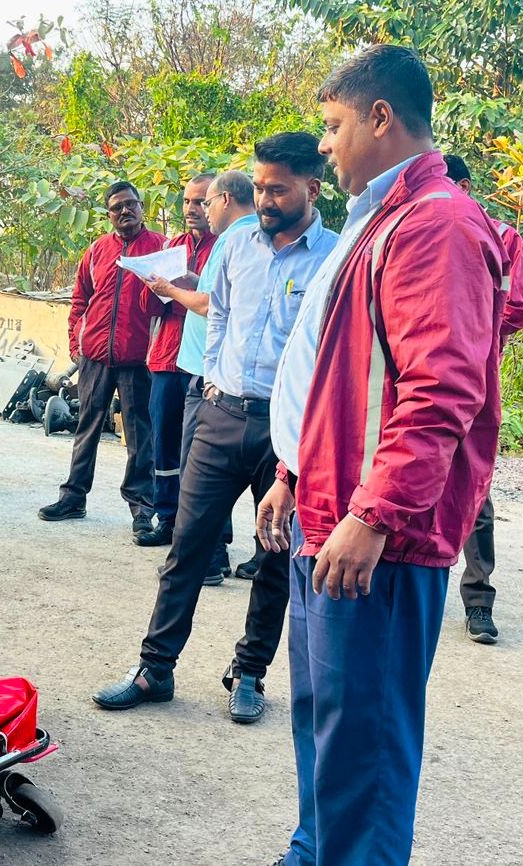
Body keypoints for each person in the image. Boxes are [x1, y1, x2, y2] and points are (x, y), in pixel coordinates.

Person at [258, 47, 507, 866]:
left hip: (376, 535)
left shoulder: (436, 223)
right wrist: (290, 473)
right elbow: (337, 373)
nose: (323, 144)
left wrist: (373, 514)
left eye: (332, 125)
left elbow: (439, 391)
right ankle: (310, 852)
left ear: (379, 117)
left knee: (362, 748)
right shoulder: (378, 217)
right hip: (326, 510)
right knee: (323, 723)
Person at [93, 134, 338, 725]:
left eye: (279, 190)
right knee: (188, 546)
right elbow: (218, 313)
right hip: (220, 414)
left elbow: (331, 351)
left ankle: (249, 673)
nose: (265, 199)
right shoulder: (235, 245)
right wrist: (211, 386)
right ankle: (155, 669)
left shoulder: (335, 256)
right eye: (260, 187)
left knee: (274, 556)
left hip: (288, 432)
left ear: (313, 188)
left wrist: (303, 438)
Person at [38, 180, 167, 540]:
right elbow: (80, 300)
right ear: (109, 214)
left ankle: (142, 508)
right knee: (87, 424)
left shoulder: (161, 248)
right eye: (116, 207)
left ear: (141, 207)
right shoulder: (96, 250)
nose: (125, 211)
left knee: (140, 434)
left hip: (139, 358)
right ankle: (73, 497)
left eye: (131, 204)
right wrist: (76, 343)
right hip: (95, 355)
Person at [148, 170, 259, 584]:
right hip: (208, 371)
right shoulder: (242, 237)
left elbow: (213, 305)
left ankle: (207, 561)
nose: (201, 210)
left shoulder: (236, 239)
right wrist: (188, 283)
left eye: (206, 201)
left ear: (226, 199)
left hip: (208, 376)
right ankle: (215, 556)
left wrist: (172, 291)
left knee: (200, 474)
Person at [443, 153, 523, 644]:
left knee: (473, 484)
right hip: (411, 378)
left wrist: (469, 325)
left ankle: (479, 599)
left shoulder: (502, 237)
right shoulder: (413, 228)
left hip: (475, 381)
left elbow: (519, 307)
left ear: (463, 186)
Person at [137, 174, 217, 547]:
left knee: (206, 451)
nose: (191, 208)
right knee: (164, 443)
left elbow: (220, 305)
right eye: (187, 201)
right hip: (166, 359)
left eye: (200, 201)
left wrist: (190, 287)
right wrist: (154, 287)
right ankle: (166, 518)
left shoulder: (226, 247)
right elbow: (149, 308)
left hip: (204, 363)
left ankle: (211, 536)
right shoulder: (171, 247)